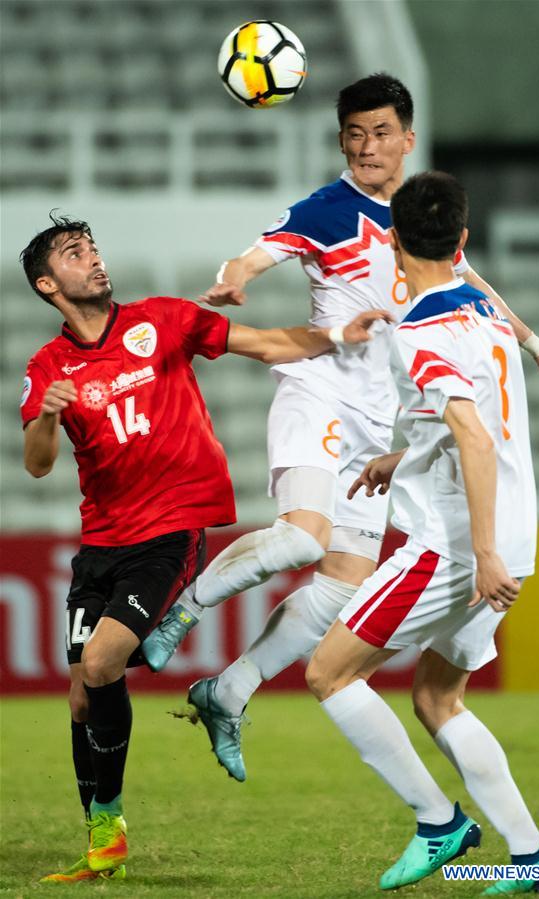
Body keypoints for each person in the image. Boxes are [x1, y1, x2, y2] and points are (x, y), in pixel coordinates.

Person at [142, 73, 539, 783]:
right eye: (354, 134)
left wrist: (538, 348)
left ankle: (228, 690)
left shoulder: (418, 216)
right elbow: (255, 251)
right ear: (341, 141)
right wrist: (235, 279)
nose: (366, 146)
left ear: (408, 139)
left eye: (380, 133)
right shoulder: (327, 208)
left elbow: (475, 284)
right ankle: (184, 609)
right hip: (318, 393)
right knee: (301, 536)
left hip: (380, 423)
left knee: (344, 586)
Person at [19, 213, 385, 884]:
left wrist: (337, 334)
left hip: (170, 531)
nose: (95, 259)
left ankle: (108, 822)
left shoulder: (163, 320)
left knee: (102, 661)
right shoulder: (47, 367)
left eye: (94, 247)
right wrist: (47, 413)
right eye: (76, 253)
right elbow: (37, 463)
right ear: (49, 284)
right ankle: (102, 836)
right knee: (80, 692)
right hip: (101, 539)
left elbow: (267, 342)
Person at [305, 171, 539, 894]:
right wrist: (406, 455)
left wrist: (478, 553)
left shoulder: (417, 331)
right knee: (436, 697)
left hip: (455, 546)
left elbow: (475, 439)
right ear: (462, 240)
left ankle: (438, 822)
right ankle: (533, 856)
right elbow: (467, 419)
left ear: (392, 242)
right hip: (516, 533)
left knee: (329, 673)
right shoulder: (483, 307)